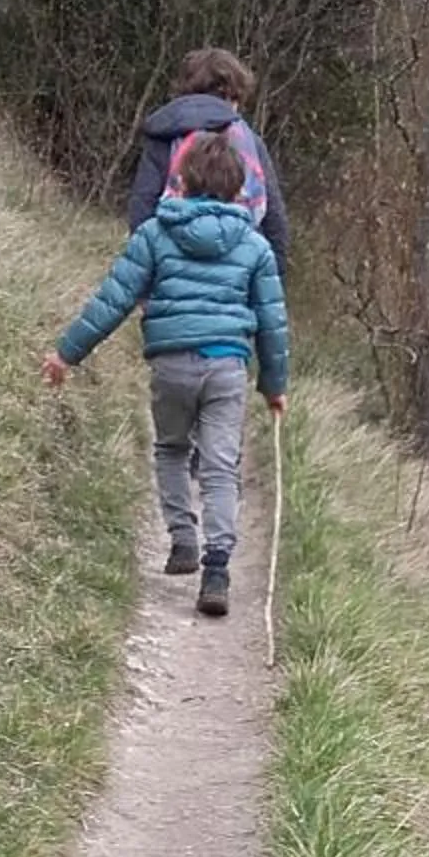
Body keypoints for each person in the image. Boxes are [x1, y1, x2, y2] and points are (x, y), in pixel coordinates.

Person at [42, 131, 288, 621]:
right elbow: (272, 320)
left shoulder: (155, 233)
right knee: (221, 467)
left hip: (171, 362)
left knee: (172, 449)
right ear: (239, 188)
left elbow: (113, 300)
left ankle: (183, 541)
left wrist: (67, 355)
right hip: (226, 365)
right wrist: (274, 385)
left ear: (183, 181)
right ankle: (217, 568)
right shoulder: (255, 247)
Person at [127, 48, 289, 277]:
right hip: (240, 275)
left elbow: (142, 206)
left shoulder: (164, 134)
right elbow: (275, 219)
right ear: (232, 95)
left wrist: (145, 280)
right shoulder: (250, 142)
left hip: (172, 271)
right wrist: (275, 280)